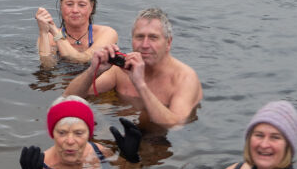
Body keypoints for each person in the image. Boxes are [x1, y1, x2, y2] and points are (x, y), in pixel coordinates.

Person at [63, 8, 202, 129]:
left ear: (168, 43)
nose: (145, 44)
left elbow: (175, 125)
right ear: (132, 39)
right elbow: (68, 98)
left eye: (153, 38)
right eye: (140, 37)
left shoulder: (184, 78)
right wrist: (93, 72)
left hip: (162, 139)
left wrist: (140, 84)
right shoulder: (120, 70)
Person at [35, 0, 118, 68]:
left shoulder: (106, 33)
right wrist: (43, 32)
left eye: (82, 5)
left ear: (92, 6)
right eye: (69, 4)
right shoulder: (50, 38)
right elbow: (47, 66)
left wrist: (55, 31)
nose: (75, 10)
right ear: (61, 5)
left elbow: (83, 59)